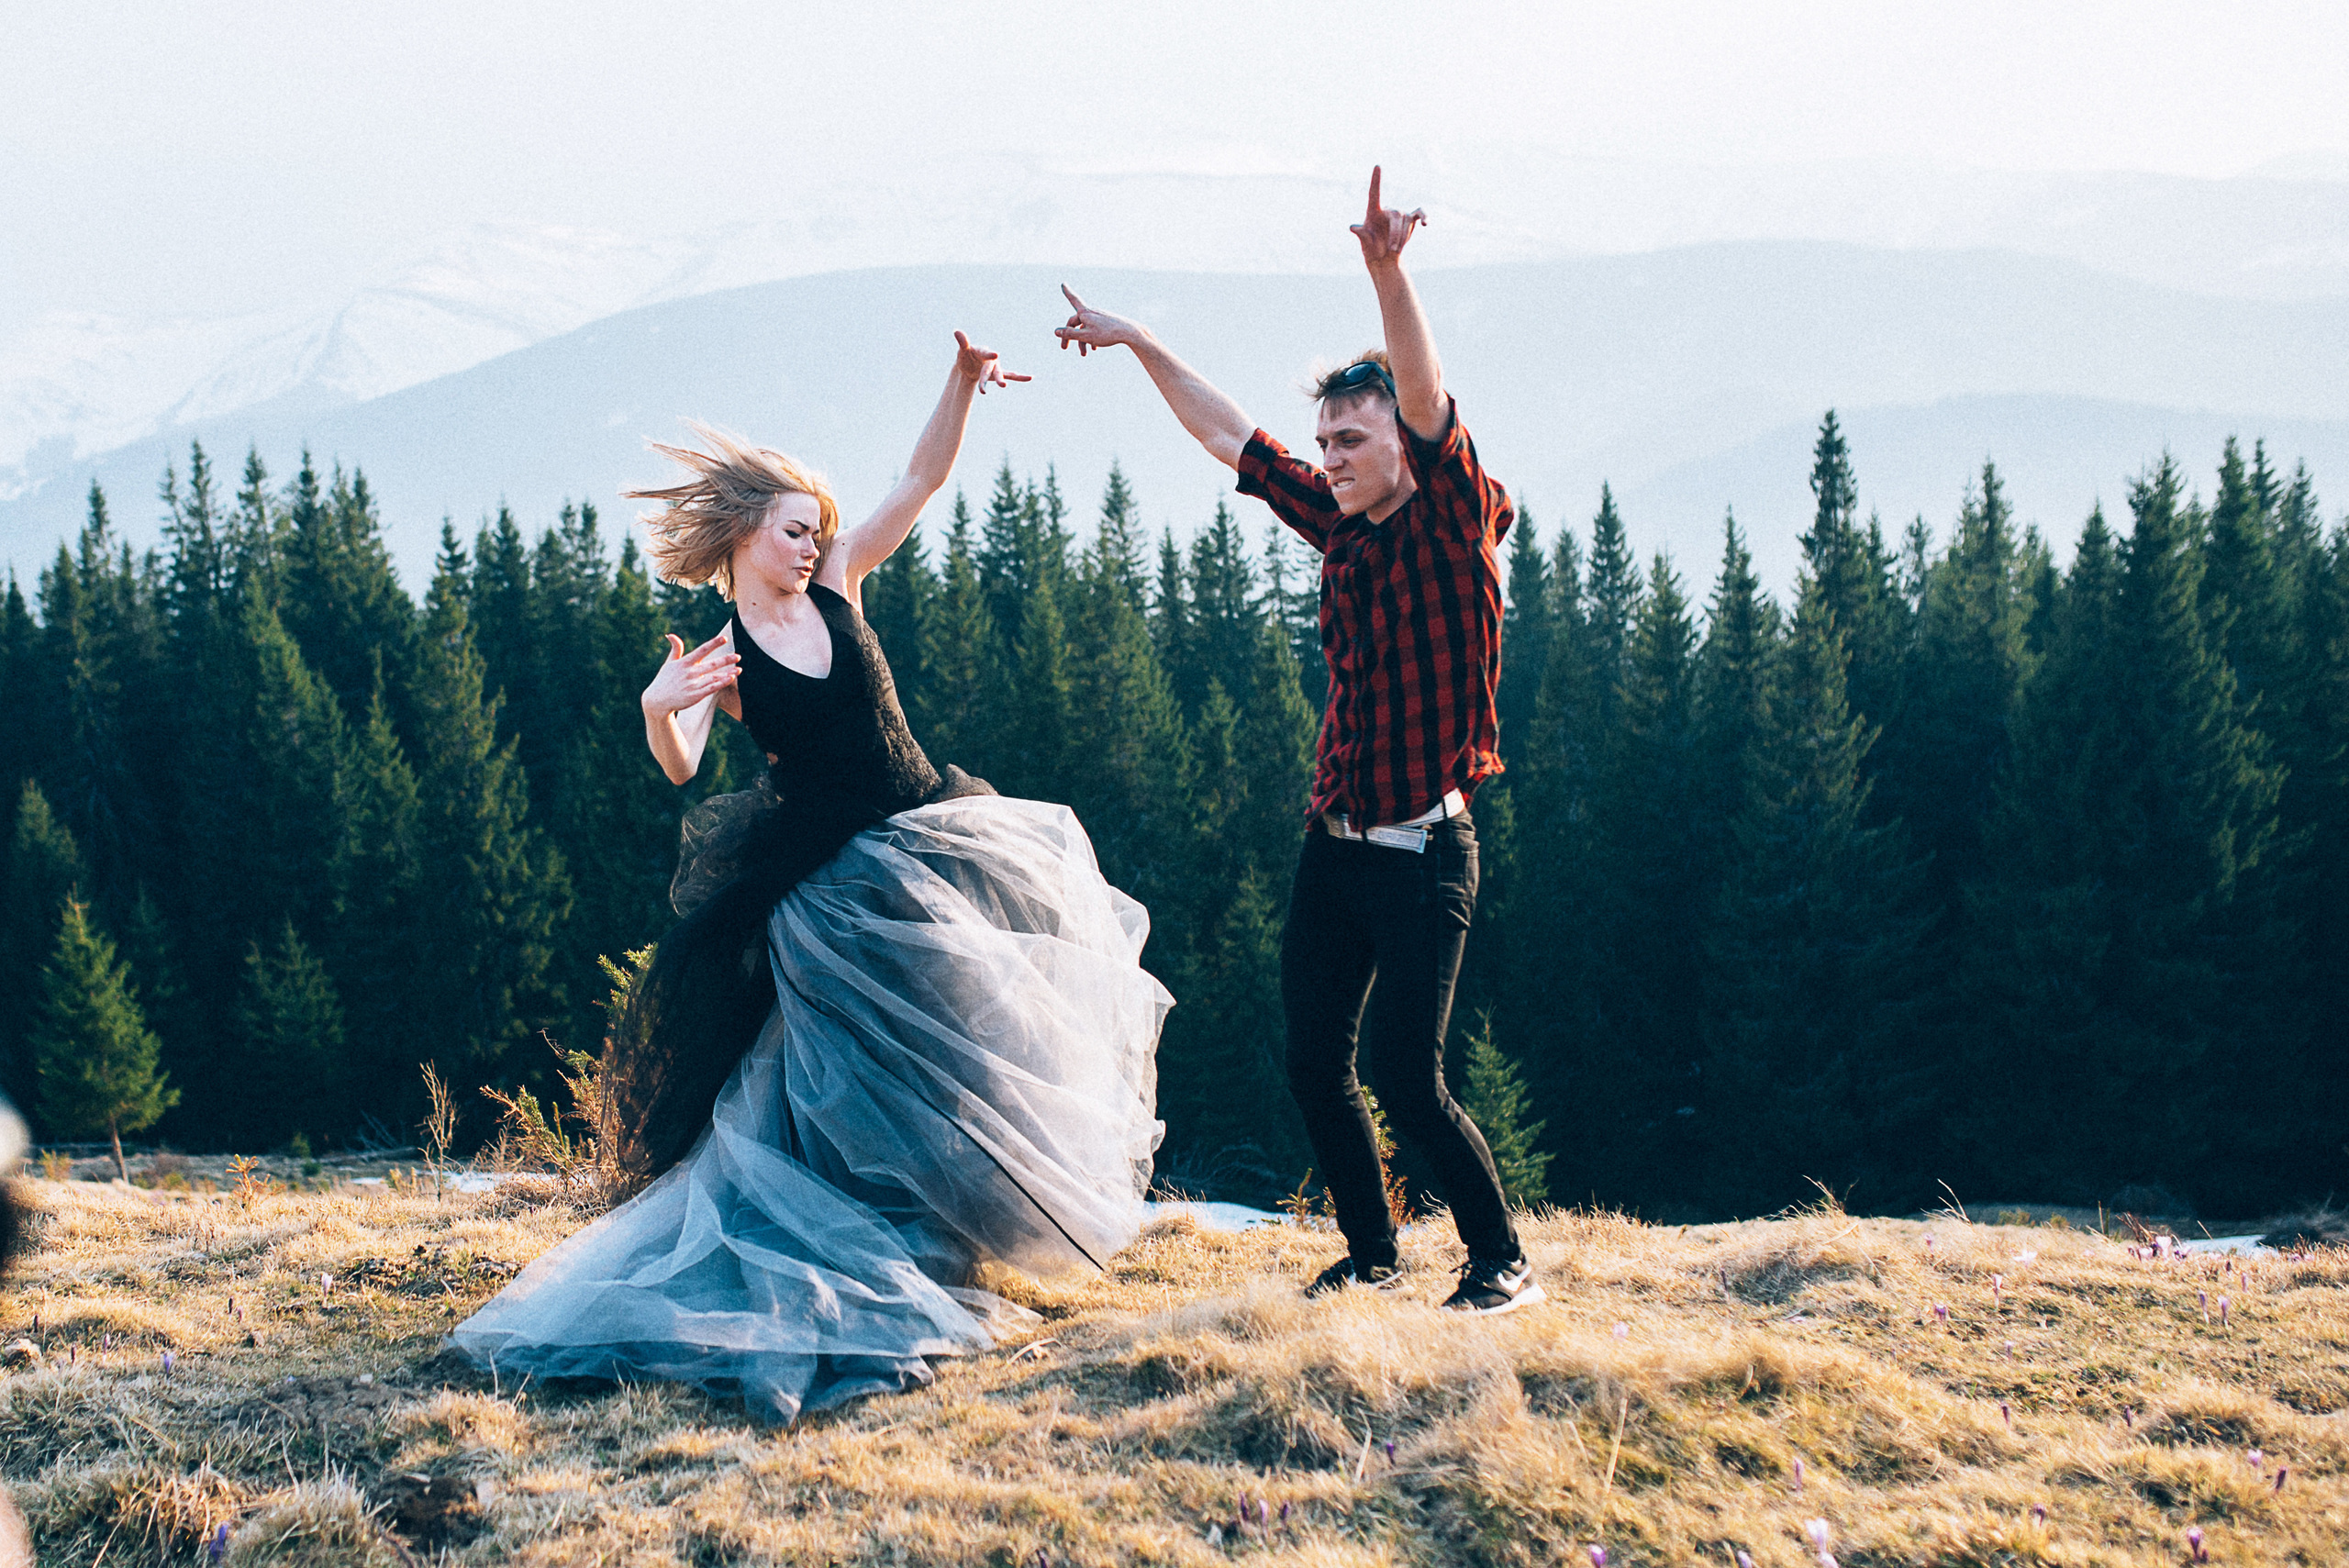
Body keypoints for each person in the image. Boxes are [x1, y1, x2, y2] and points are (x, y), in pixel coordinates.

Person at [450, 332, 1171, 1421]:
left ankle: (956, 1228)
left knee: (966, 1045)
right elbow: (683, 763)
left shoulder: (838, 587)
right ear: (746, 533)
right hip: (826, 880)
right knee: (843, 1081)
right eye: (795, 528)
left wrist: (960, 380)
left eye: (816, 531)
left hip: (928, 832)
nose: (811, 542)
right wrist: (660, 705)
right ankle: (865, 1245)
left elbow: (919, 480)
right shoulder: (725, 655)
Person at [1055, 168, 1540, 1315]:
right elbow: (1230, 432)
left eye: (1352, 436)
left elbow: (1423, 394)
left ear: (1404, 446)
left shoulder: (1446, 520)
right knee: (1313, 1059)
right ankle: (1372, 1254)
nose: (1330, 452)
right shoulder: (1337, 514)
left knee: (1405, 1080)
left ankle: (1500, 1260)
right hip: (1337, 840)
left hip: (1425, 850)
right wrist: (1136, 341)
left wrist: (1386, 270)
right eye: (1325, 436)